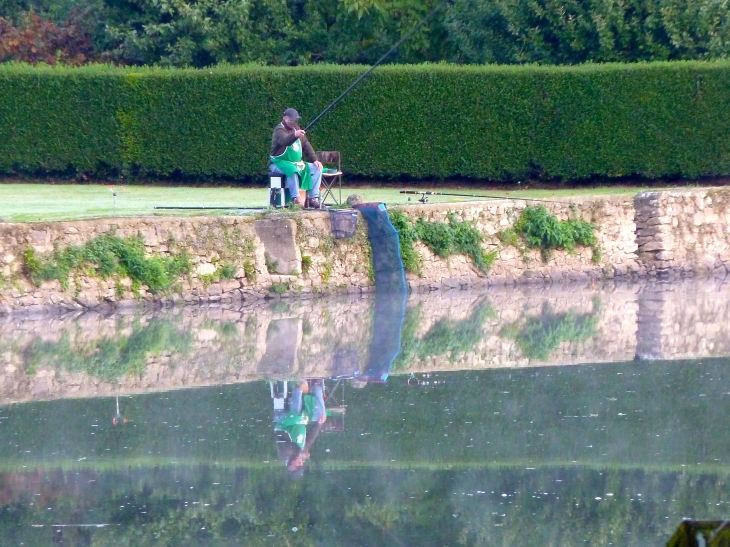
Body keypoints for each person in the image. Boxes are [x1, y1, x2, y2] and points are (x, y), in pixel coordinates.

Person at [270, 108, 325, 209]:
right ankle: (296, 198)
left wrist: (315, 160)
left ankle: (312, 199)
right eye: (293, 120)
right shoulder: (279, 130)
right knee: (292, 170)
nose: (295, 122)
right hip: (278, 163)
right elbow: (284, 141)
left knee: (317, 168)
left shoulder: (296, 128)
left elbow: (306, 145)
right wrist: (295, 135)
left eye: (296, 120)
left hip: (295, 162)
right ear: (286, 119)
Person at [273, 379, 327, 476]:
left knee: (297, 416)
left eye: (299, 465)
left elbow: (289, 446)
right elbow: (310, 439)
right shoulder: (299, 451)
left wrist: (299, 453)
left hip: (283, 422)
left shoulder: (284, 455)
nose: (301, 462)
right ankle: (316, 385)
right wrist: (319, 424)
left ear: (291, 467)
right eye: (301, 464)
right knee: (321, 415)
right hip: (300, 421)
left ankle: (299, 386)